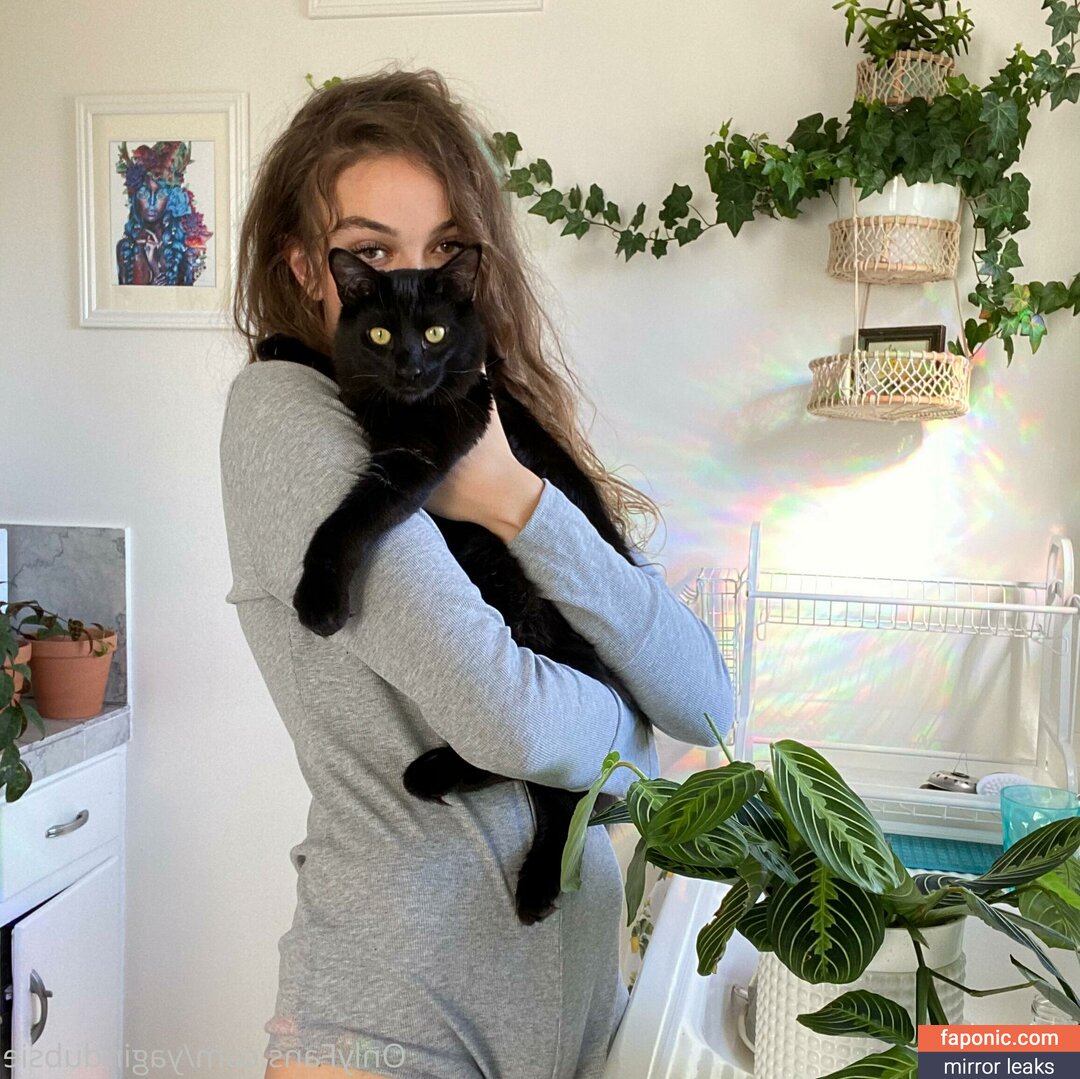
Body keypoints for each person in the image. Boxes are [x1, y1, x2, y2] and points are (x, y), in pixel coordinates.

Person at [219, 65, 734, 1079]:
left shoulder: (492, 418)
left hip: (579, 1013)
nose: (412, 282)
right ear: (307, 266)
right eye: (371, 251)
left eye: (444, 248)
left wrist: (518, 500)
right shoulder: (288, 413)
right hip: (396, 1024)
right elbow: (520, 722)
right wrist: (633, 735)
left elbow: (708, 703)